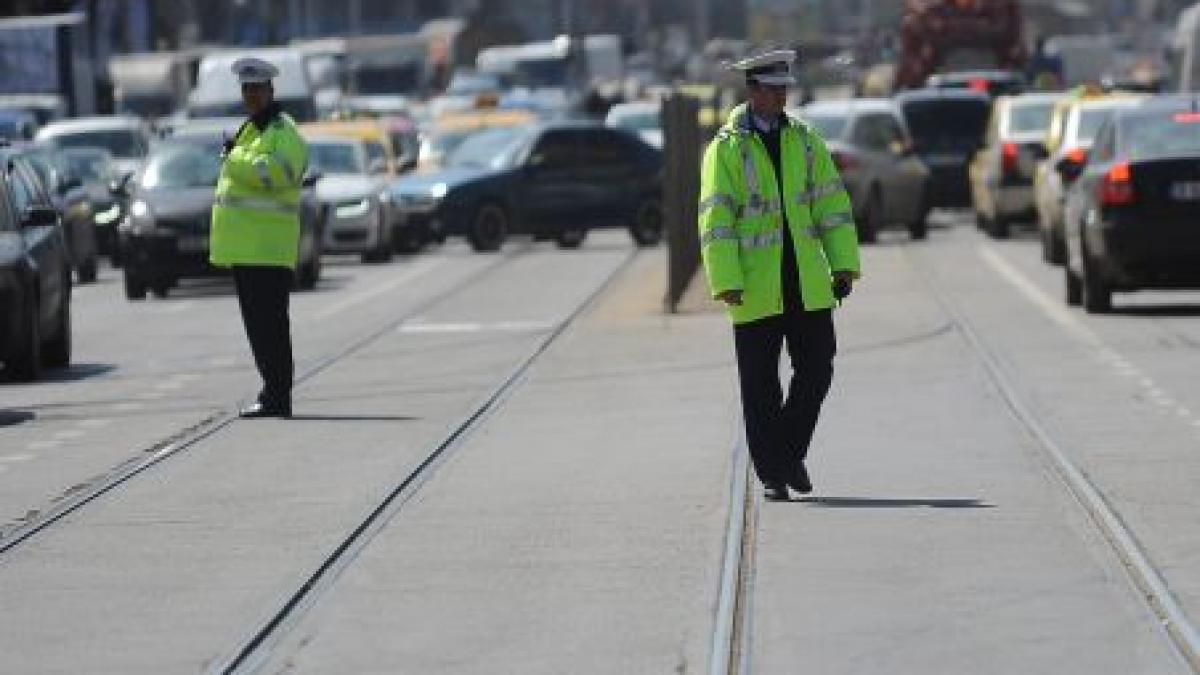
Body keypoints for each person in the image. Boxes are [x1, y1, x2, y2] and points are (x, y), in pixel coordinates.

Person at [697, 50, 861, 501]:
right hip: (752, 287)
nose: (782, 96)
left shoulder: (805, 141)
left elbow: (832, 206)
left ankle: (788, 453)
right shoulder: (726, 149)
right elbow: (716, 219)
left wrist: (843, 264)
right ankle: (773, 473)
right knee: (760, 387)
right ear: (752, 91)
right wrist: (724, 279)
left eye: (785, 88)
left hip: (806, 283)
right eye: (773, 89)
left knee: (818, 368)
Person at [209, 57, 309, 419]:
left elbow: (275, 174)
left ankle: (278, 397)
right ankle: (271, 393)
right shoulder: (252, 130)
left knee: (270, 328)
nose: (251, 95)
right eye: (246, 89)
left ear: (271, 91)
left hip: (267, 248)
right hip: (247, 249)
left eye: (257, 88)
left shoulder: (283, 131)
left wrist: (233, 158)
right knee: (259, 329)